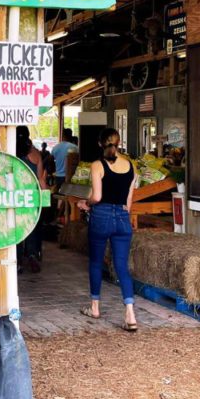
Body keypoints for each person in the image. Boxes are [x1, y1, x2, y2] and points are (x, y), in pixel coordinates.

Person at [77, 129, 139, 332]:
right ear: (119, 143)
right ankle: (130, 313)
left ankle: (94, 307)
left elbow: (97, 196)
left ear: (99, 143)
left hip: (101, 216)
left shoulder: (97, 165)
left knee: (95, 262)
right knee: (121, 266)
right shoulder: (131, 166)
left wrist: (85, 204)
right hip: (122, 218)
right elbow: (128, 203)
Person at [15, 126, 48, 273]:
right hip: (32, 197)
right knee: (32, 227)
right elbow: (41, 179)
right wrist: (46, 195)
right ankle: (32, 255)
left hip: (14, 197)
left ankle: (17, 262)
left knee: (15, 229)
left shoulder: (11, 152)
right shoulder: (35, 154)